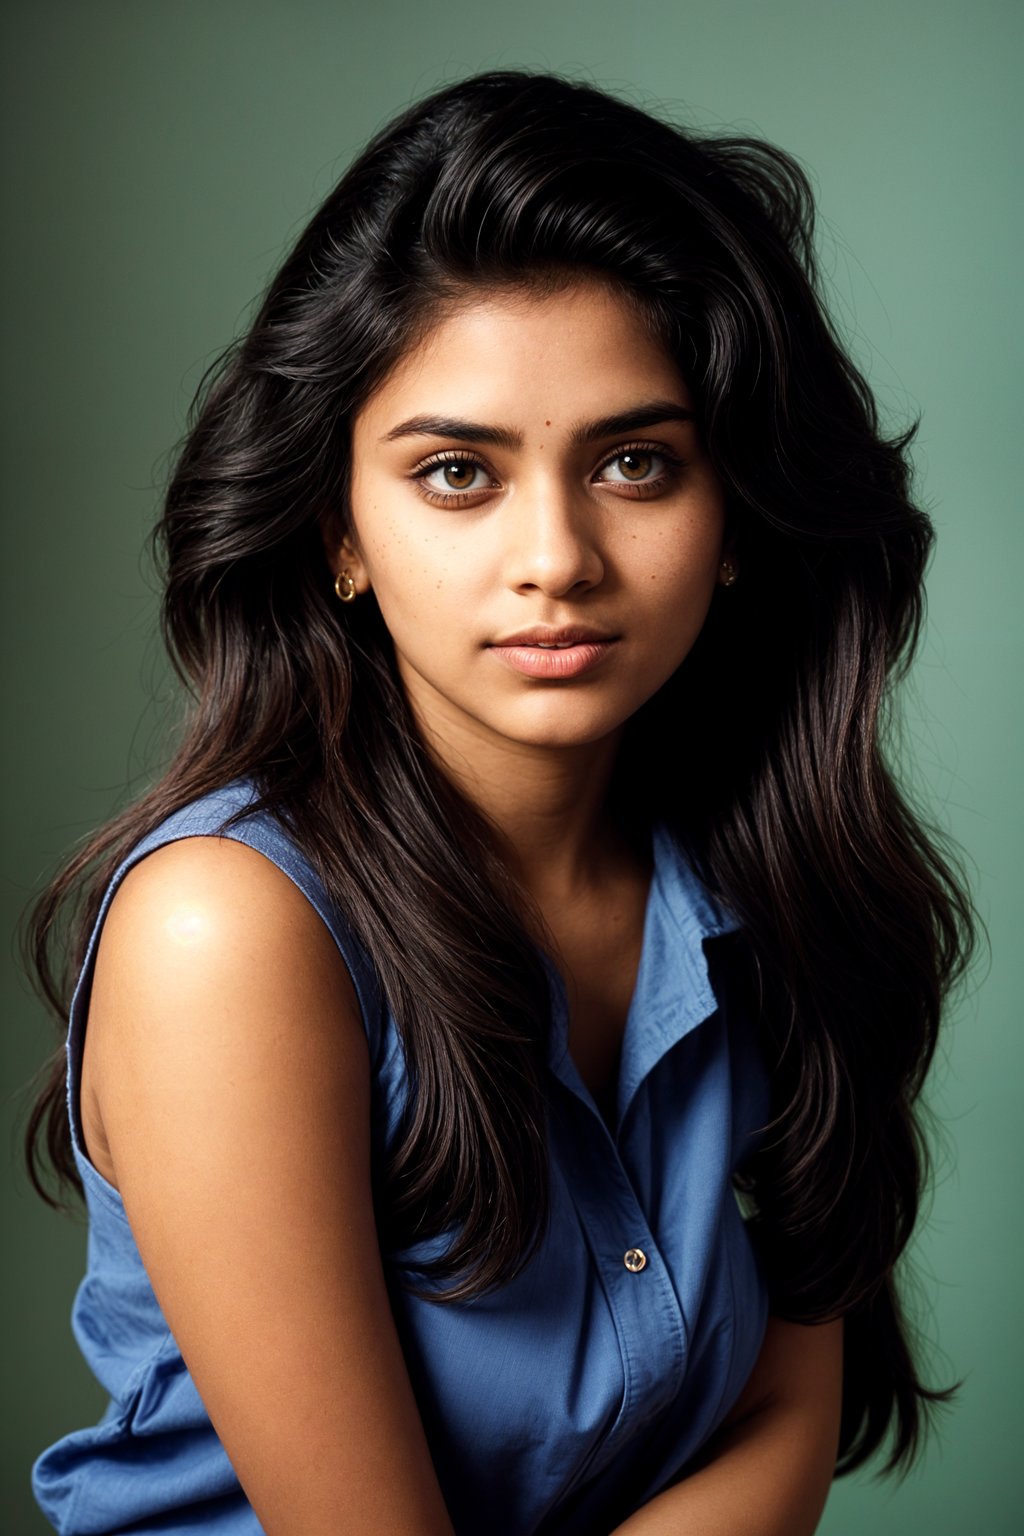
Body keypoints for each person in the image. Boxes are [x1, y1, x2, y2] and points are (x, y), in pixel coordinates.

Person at [22, 69, 979, 1536]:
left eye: (637, 463)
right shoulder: (230, 933)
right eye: (459, 473)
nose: (558, 557)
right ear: (340, 528)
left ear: (736, 521)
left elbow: (788, 1420)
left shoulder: (766, 878)